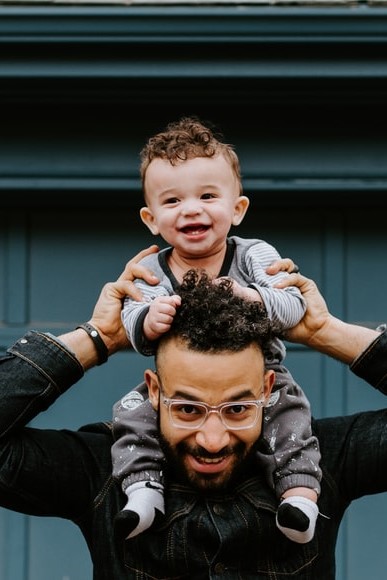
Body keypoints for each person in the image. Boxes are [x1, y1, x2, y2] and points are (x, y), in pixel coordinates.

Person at [1, 246, 387, 579]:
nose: (212, 439)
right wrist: (98, 338)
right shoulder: (103, 470)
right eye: (188, 408)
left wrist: (323, 331)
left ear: (267, 390)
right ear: (154, 391)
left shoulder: (320, 459)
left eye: (238, 408)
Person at [112, 116, 321, 544]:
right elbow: (132, 322)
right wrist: (147, 320)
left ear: (237, 209)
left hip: (263, 373)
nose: (191, 209)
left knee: (291, 415)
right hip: (178, 385)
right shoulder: (150, 268)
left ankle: (299, 495)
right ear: (151, 219)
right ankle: (142, 490)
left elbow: (292, 304)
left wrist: (253, 298)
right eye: (172, 202)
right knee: (130, 414)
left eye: (208, 196)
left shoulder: (253, 255)